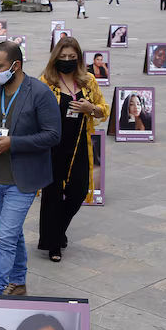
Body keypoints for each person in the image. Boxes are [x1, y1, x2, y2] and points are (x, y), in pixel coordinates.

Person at [0, 41, 61, 302]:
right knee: (11, 233)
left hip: (23, 179)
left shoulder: (39, 92)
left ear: (16, 65)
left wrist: (14, 142)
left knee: (4, 237)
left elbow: (52, 135)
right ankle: (18, 281)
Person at [37, 37, 110, 262]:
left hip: (79, 144)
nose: (67, 61)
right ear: (55, 58)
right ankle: (54, 243)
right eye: (62, 57)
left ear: (78, 58)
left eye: (71, 57)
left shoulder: (88, 81)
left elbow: (104, 110)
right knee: (53, 195)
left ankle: (57, 231)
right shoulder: (46, 81)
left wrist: (91, 108)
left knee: (78, 192)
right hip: (53, 147)